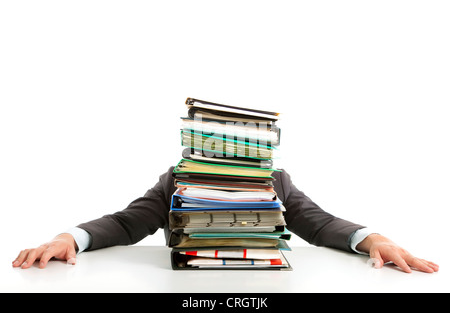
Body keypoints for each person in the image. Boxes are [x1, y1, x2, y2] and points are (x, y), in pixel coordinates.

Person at [12, 167, 439, 274]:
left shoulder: (276, 180)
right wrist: (69, 236)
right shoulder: (177, 181)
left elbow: (319, 223)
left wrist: (374, 238)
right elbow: (128, 223)